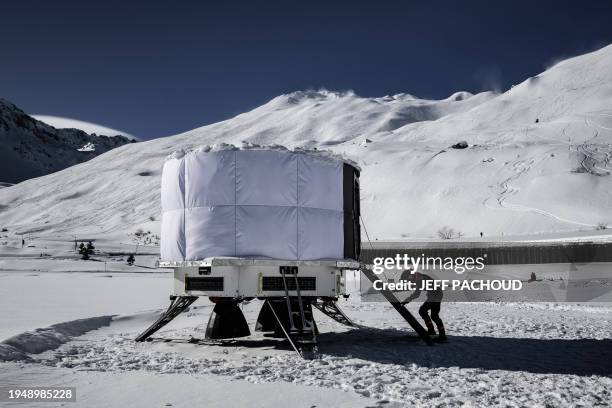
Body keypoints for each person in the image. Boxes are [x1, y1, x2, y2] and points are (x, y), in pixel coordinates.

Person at [400, 269, 447, 342]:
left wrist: (406, 301)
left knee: (428, 313)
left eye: (408, 280)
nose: (409, 282)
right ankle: (434, 332)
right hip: (434, 295)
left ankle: (440, 335)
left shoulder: (420, 279)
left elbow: (416, 294)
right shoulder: (419, 277)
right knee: (430, 314)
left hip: (435, 296)